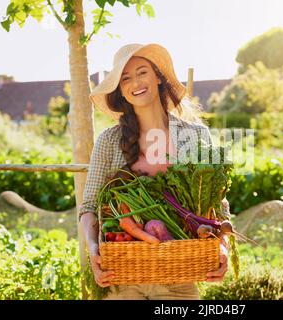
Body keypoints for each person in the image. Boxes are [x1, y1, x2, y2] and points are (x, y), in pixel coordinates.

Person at [79, 43, 230, 300]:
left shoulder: (195, 136)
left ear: (158, 76)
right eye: (125, 78)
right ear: (121, 91)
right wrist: (93, 249)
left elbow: (217, 203)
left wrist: (223, 247)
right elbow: (89, 206)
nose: (135, 82)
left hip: (179, 279)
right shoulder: (108, 141)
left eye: (142, 72)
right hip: (122, 280)